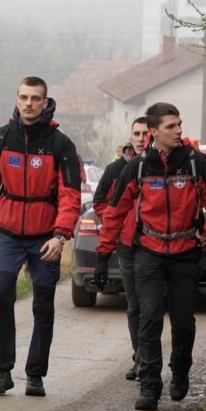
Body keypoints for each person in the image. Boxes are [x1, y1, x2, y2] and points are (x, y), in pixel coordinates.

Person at [95, 102, 206, 411]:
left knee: (183, 322)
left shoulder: (196, 162)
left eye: (180, 124)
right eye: (171, 126)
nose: (179, 130)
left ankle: (180, 372)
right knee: (149, 317)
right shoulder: (139, 166)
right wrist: (103, 255)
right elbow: (114, 212)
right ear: (155, 132)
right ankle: (150, 386)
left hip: (185, 254)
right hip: (149, 253)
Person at [0, 77, 82, 398]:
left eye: (35, 98)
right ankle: (2, 370)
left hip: (45, 237)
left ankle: (35, 375)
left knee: (43, 305)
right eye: (23, 97)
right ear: (17, 98)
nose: (28, 103)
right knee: (2, 294)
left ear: (45, 101)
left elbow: (70, 195)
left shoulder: (60, 144)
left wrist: (61, 236)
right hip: (7, 233)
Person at [91, 116, 147, 382]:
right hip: (127, 246)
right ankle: (140, 358)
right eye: (136, 133)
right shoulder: (116, 169)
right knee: (134, 305)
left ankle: (151, 359)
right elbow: (100, 202)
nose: (140, 138)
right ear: (130, 136)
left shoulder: (162, 167)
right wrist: (121, 221)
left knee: (153, 306)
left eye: (145, 133)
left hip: (156, 246)